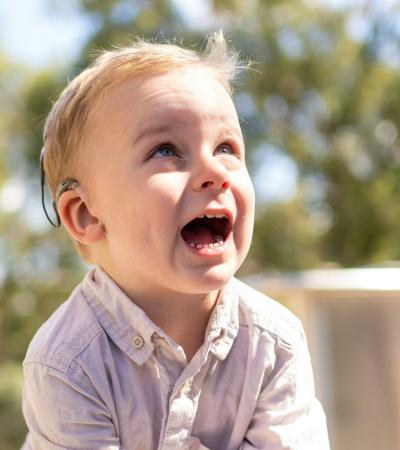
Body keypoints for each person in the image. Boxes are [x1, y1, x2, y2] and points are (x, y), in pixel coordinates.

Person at [21, 32, 330, 450]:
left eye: (226, 147)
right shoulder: (68, 364)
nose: (215, 171)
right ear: (88, 215)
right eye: (166, 150)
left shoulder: (274, 343)